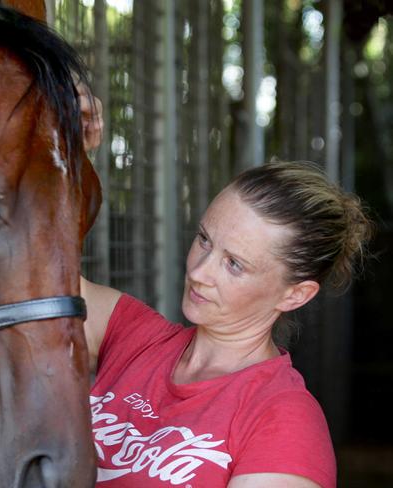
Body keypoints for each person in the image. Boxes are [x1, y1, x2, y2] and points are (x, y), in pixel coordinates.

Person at [76, 87, 373, 488]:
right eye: (204, 239)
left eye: (234, 264)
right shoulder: (133, 336)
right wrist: (65, 147)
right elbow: (26, 273)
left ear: (295, 294)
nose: (199, 272)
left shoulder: (283, 420)